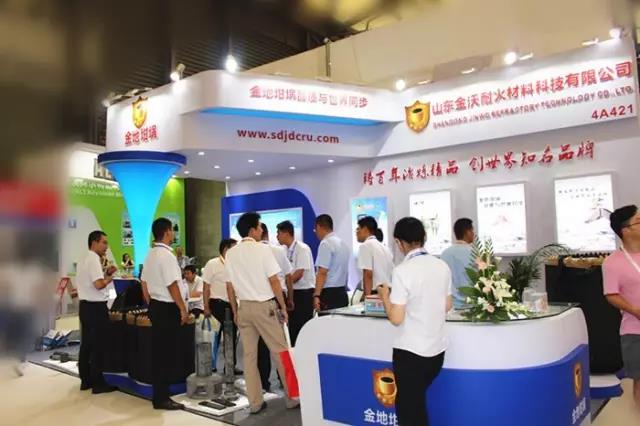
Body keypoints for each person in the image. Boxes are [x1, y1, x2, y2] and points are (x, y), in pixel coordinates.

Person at [377, 217, 452, 426]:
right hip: (436, 353)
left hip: (410, 355)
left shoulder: (402, 271)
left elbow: (396, 318)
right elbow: (447, 305)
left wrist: (384, 296)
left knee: (409, 411)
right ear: (423, 237)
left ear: (399, 242)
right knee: (417, 406)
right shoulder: (442, 266)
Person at [225, 212, 299, 414]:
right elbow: (274, 281)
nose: (261, 230)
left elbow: (229, 287)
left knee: (249, 357)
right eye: (259, 227)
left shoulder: (231, 254)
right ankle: (292, 397)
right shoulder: (263, 250)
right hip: (265, 307)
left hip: (244, 308)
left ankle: (255, 402)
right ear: (252, 230)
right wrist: (283, 306)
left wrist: (236, 311)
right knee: (281, 352)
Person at [141, 218, 188, 410]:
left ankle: (160, 394)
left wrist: (150, 302)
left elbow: (144, 282)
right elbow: (172, 285)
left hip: (156, 306)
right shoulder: (166, 256)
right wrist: (182, 308)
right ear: (167, 232)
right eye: (172, 231)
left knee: (159, 352)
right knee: (166, 354)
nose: (173, 234)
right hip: (167, 308)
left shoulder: (150, 254)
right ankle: (162, 397)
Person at [603, 205, 640, 408]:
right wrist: (635, 311)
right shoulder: (612, 263)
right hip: (635, 331)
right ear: (625, 230)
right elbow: (611, 294)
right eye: (639, 221)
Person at [76, 230, 118, 394]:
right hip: (96, 308)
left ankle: (85, 380)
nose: (106, 247)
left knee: (86, 344)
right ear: (94, 242)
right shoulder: (94, 259)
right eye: (104, 243)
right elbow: (99, 285)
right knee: (98, 346)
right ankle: (98, 383)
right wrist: (109, 279)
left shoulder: (84, 258)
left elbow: (91, 281)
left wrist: (106, 273)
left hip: (85, 306)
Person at [259, 223, 293, 391]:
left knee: (262, 344)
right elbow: (288, 276)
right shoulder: (279, 251)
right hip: (279, 298)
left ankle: (264, 384)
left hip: (260, 299)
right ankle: (286, 383)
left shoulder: (254, 252)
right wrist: (288, 300)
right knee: (282, 341)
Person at [202, 238, 242, 375]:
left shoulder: (235, 265)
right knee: (215, 336)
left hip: (231, 305)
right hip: (216, 304)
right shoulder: (212, 264)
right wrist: (206, 306)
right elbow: (206, 287)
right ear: (226, 249)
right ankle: (211, 366)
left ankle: (230, 366)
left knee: (231, 336)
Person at [276, 220, 316, 346]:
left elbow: (299, 273)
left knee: (302, 327)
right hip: (292, 292)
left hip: (303, 294)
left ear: (286, 233)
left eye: (278, 233)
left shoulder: (302, 249)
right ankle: (294, 353)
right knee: (292, 328)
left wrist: (284, 284)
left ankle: (304, 353)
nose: (277, 236)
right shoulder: (283, 250)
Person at [313, 214, 350, 312]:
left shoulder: (326, 243)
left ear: (319, 227)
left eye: (315, 229)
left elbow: (322, 272)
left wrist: (317, 295)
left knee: (327, 321)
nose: (316, 233)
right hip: (342, 292)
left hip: (329, 295)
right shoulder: (343, 244)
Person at [440, 218, 475, 309]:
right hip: (472, 305)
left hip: (451, 304)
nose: (473, 233)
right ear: (467, 232)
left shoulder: (445, 253)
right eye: (472, 230)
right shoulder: (474, 253)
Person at [356, 216, 394, 297]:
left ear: (365, 229)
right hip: (388, 292)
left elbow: (368, 274)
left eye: (358, 229)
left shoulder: (365, 246)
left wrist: (367, 297)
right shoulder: (385, 247)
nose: (356, 232)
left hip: (374, 293)